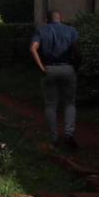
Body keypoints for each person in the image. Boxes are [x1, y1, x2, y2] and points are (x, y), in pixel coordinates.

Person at [30, 10, 80, 149]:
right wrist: (76, 66)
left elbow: (33, 49)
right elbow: (77, 50)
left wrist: (41, 67)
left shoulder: (41, 30)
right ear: (61, 18)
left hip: (49, 69)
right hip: (68, 68)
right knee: (70, 103)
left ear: (46, 19)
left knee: (51, 104)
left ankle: (54, 137)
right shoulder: (71, 30)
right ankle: (69, 134)